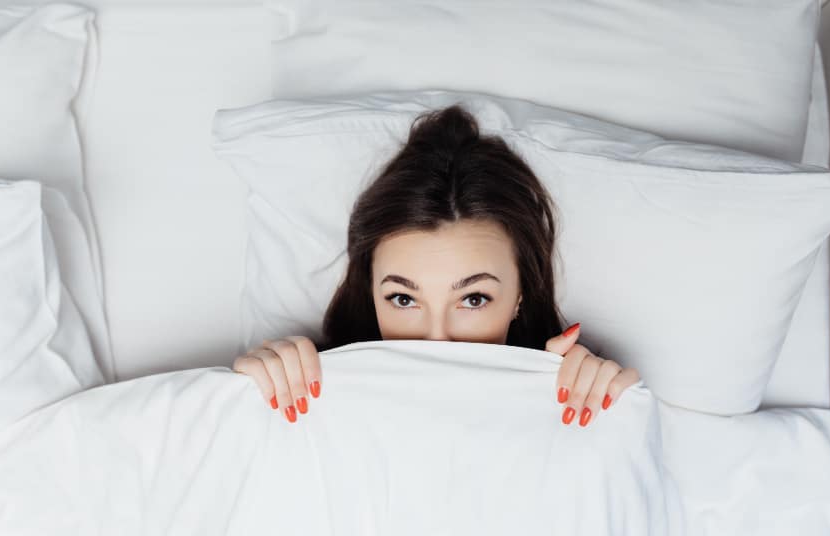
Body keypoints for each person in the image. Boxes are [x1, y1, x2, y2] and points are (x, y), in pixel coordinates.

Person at [233, 105, 639, 426]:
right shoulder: (315, 392)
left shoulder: (567, 395)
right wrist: (246, 398)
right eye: (404, 299)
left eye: (474, 298)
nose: (436, 340)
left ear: (520, 297)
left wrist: (565, 412)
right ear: (370, 294)